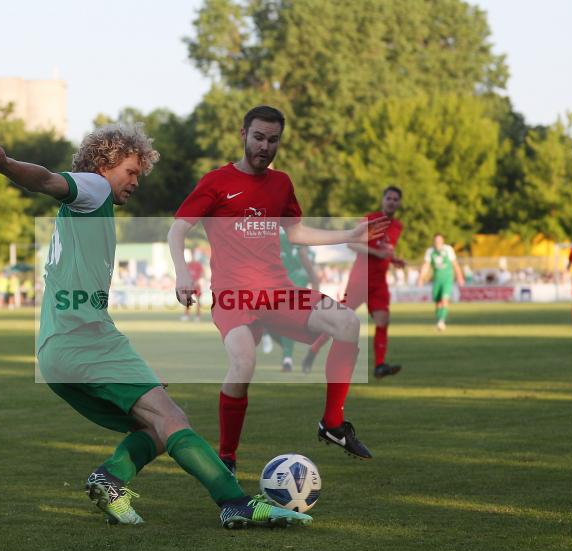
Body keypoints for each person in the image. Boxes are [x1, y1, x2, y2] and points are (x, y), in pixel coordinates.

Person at [0, 125, 310, 529]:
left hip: (54, 351)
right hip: (86, 340)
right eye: (132, 171)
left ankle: (112, 479)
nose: (136, 181)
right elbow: (47, 179)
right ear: (105, 163)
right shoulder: (93, 189)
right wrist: (5, 164)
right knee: (172, 420)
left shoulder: (86, 210)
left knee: (152, 428)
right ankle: (234, 502)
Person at [169, 105, 389, 473]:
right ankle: (227, 458)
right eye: (258, 137)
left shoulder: (281, 183)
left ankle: (333, 424)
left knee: (348, 323)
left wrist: (349, 234)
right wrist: (181, 273)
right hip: (233, 296)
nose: (265, 146)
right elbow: (177, 229)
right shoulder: (216, 182)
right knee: (244, 361)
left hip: (277, 292)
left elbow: (298, 232)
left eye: (273, 140)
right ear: (243, 135)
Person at [303, 187, 405, 379]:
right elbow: (352, 244)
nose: (391, 201)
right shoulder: (371, 219)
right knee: (340, 320)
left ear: (399, 203)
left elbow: (385, 251)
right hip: (360, 279)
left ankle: (379, 365)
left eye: (395, 199)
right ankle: (313, 351)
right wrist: (378, 254)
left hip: (379, 283)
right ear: (383, 200)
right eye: (389, 198)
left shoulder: (398, 226)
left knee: (383, 320)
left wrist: (393, 260)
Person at [272, 227, 319, 371]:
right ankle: (290, 345)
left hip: (295, 283)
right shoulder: (270, 232)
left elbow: (306, 262)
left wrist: (315, 284)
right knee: (272, 324)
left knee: (286, 321)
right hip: (276, 284)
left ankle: (287, 358)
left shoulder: (293, 234)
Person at [417, 234, 465, 331]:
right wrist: (421, 278)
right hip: (437, 279)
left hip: (447, 278)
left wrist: (459, 276)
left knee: (444, 299)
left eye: (440, 240)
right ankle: (439, 320)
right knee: (438, 301)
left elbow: (455, 264)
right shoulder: (430, 251)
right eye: (436, 240)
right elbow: (426, 265)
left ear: (443, 241)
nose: (438, 242)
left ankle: (442, 321)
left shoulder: (448, 249)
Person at [182, 250, 204, 322]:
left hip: (196, 285)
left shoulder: (198, 265)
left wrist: (198, 281)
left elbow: (202, 274)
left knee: (198, 301)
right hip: (189, 285)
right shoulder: (188, 264)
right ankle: (186, 315)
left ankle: (198, 316)